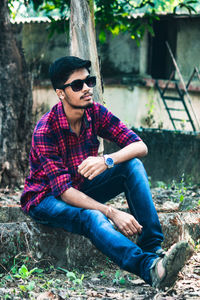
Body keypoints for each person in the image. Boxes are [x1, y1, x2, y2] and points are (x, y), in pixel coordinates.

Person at [21, 56, 193, 289]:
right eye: (77, 85)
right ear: (61, 93)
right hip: (46, 198)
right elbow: (64, 193)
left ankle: (155, 251)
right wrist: (111, 212)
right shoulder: (45, 130)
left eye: (88, 81)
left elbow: (140, 146)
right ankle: (149, 268)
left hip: (79, 187)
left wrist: (107, 160)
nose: (87, 89)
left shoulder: (95, 113)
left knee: (131, 166)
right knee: (93, 216)